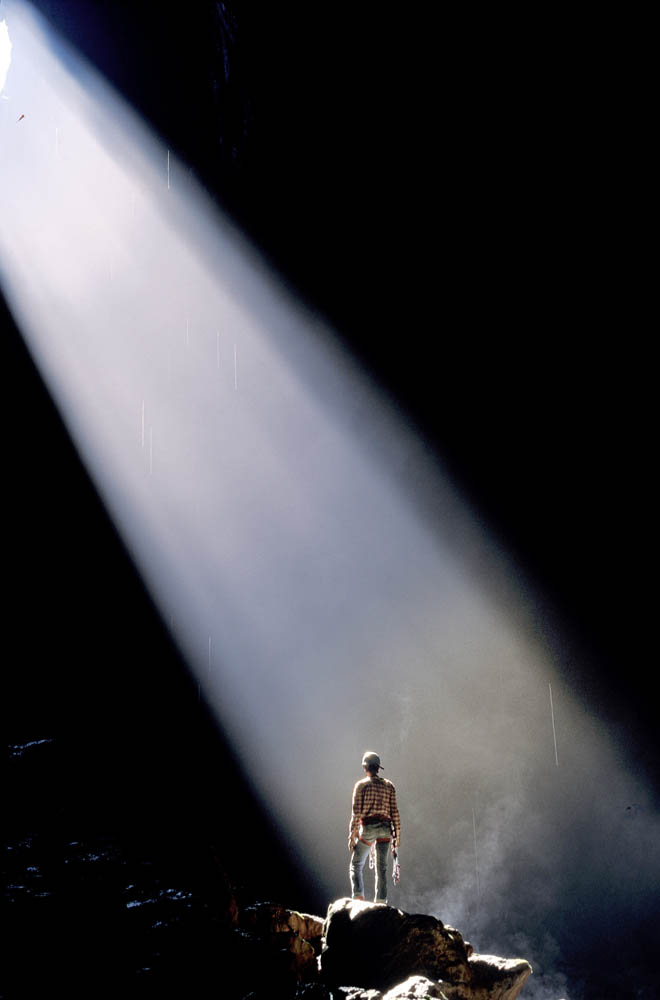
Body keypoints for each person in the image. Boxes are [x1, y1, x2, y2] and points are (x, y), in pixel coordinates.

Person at [348, 750, 401, 904]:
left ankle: (358, 898)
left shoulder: (361, 786)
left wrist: (352, 835)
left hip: (369, 829)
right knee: (382, 868)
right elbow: (395, 813)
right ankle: (381, 901)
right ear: (378, 768)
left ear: (365, 768)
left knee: (356, 864)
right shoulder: (389, 786)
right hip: (385, 829)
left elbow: (356, 813)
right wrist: (397, 835)